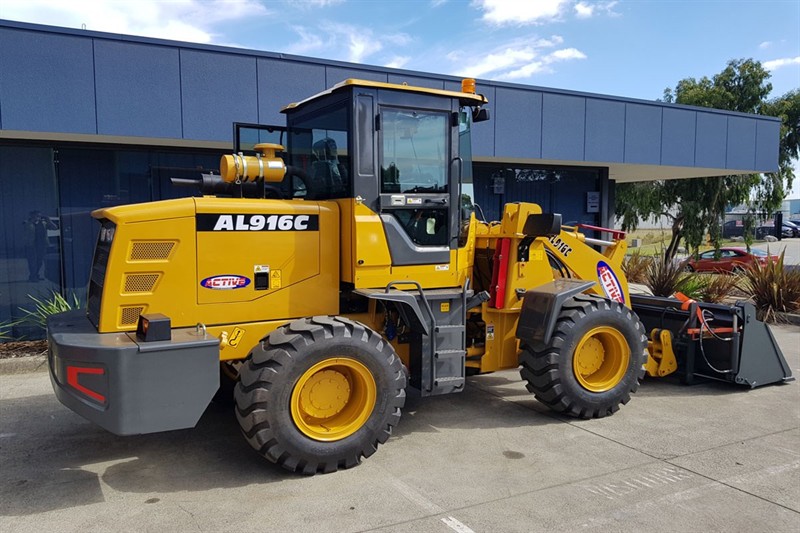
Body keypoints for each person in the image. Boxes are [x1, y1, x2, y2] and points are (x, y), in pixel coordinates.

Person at [22, 210, 55, 282]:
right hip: (31, 245)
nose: (37, 217)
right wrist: (32, 221)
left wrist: (48, 220)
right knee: (32, 262)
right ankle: (32, 277)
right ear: (31, 216)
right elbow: (25, 227)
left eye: (39, 216)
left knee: (39, 261)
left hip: (42, 245)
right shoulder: (27, 223)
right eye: (35, 216)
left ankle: (36, 275)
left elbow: (54, 228)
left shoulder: (43, 223)